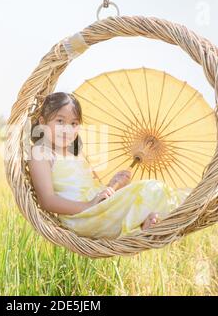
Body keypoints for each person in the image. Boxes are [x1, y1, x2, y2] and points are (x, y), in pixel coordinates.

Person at [27, 92, 192, 239]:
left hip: (99, 208)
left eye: (73, 123)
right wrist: (88, 205)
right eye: (60, 121)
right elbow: (47, 200)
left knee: (160, 191)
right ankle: (143, 226)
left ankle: (143, 226)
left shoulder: (77, 153)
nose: (67, 129)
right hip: (81, 217)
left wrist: (114, 185)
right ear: (42, 122)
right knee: (152, 188)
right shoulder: (41, 153)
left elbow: (94, 190)